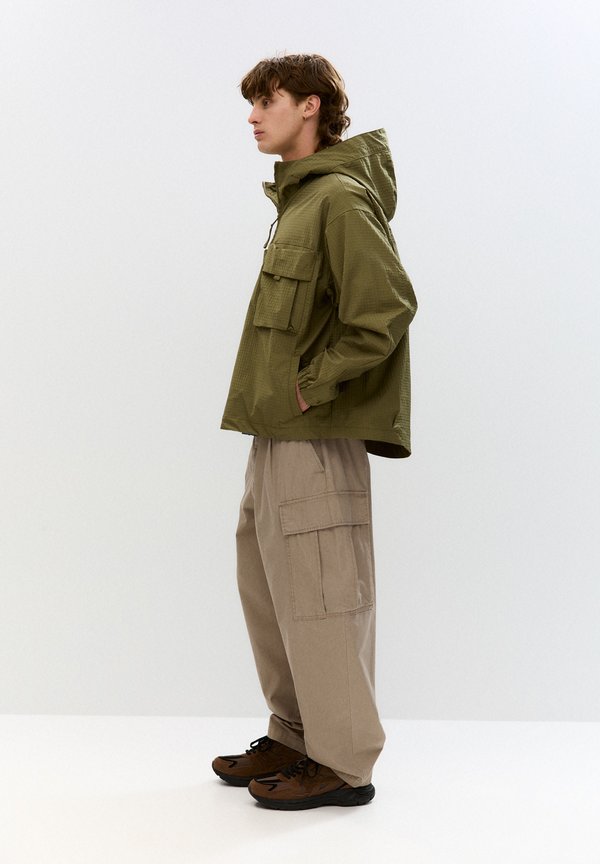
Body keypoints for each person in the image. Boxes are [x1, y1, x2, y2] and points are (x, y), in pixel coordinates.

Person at [212, 53, 417, 811]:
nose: (252, 116)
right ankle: (296, 733)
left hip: (315, 435)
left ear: (311, 106)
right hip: (275, 433)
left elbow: (386, 308)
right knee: (272, 588)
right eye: (252, 102)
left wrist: (311, 385)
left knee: (324, 594)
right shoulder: (299, 201)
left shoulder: (338, 198)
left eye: (267, 100)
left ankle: (343, 761)